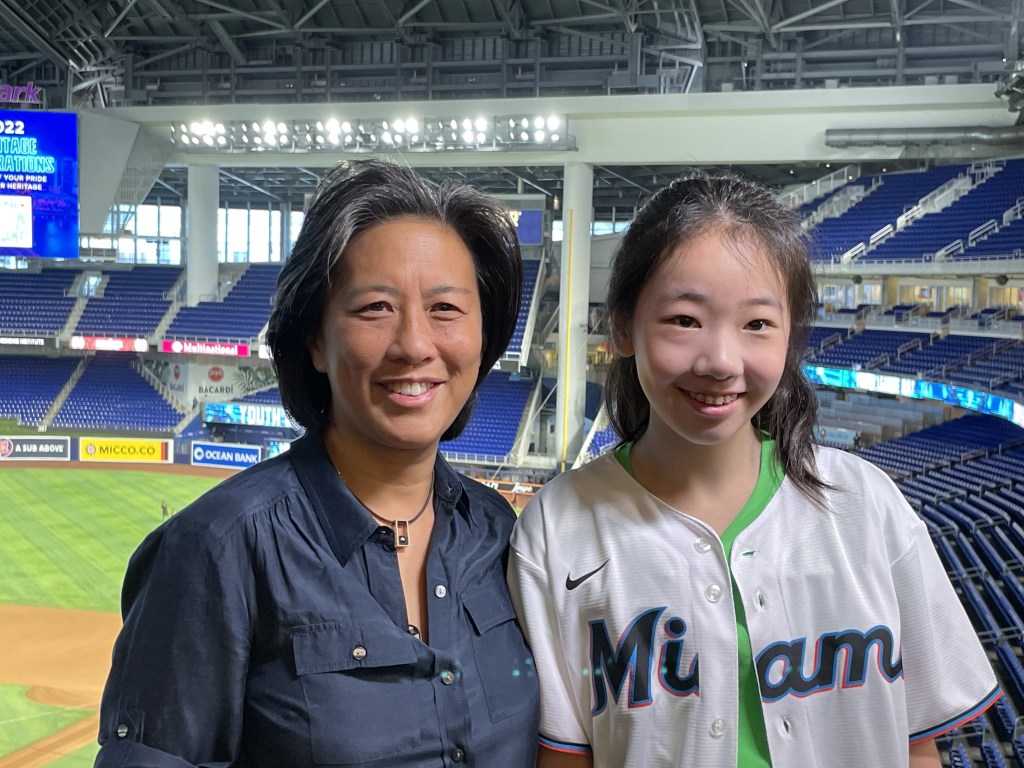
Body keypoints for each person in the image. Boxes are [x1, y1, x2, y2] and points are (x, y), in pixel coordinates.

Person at [507, 172, 999, 768]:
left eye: (757, 324)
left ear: (791, 335)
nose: (720, 361)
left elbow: (919, 745)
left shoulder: (867, 502)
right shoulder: (554, 529)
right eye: (684, 320)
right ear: (621, 326)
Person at [94, 161, 540, 767]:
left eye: (446, 309)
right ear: (315, 342)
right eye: (375, 307)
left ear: (482, 339)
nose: (414, 343)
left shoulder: (500, 532)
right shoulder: (215, 549)